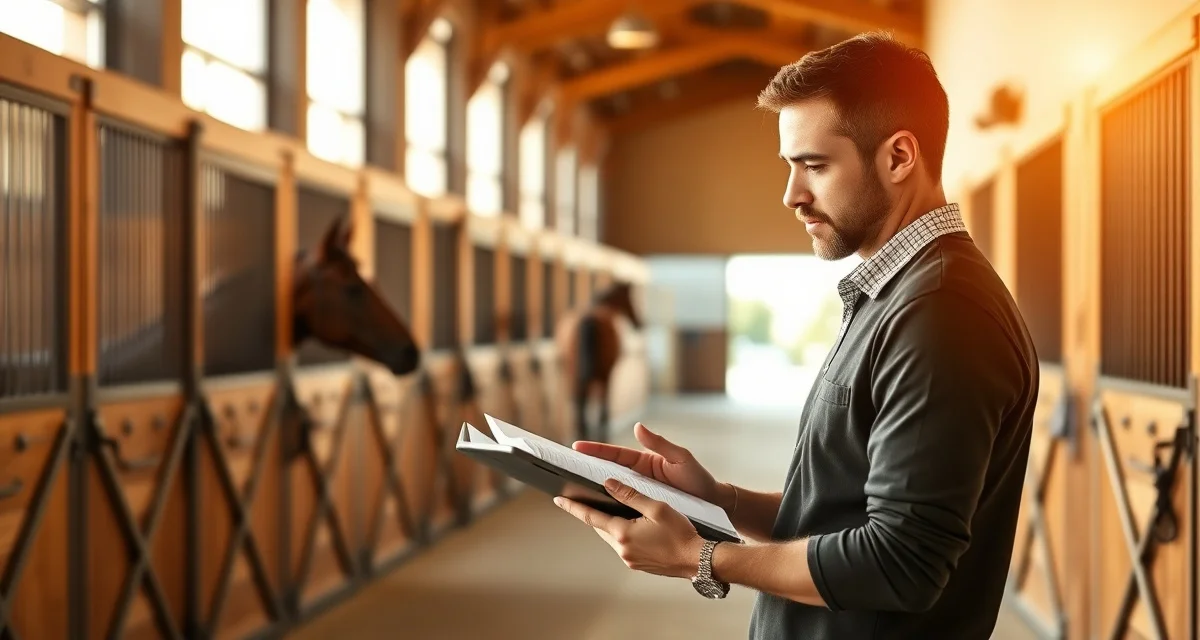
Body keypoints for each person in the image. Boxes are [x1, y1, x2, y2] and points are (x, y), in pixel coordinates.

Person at [552, 30, 1040, 640]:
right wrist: (718, 500)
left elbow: (901, 563)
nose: (791, 195)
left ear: (898, 157)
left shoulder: (942, 311)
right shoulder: (897, 292)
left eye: (814, 165)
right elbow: (845, 513)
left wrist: (696, 556)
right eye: (791, 166)